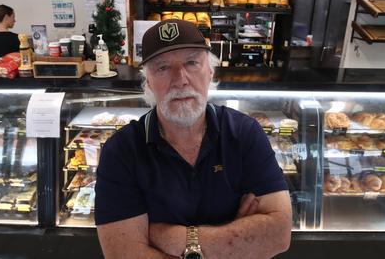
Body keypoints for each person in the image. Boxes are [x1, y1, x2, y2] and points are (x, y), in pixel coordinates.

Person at [95, 19, 291, 258]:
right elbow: (123, 254)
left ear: (210, 72)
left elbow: (278, 235)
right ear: (148, 82)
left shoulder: (245, 133)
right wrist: (236, 241)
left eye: (191, 62)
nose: (180, 79)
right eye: (163, 68)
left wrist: (174, 238)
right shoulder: (121, 152)